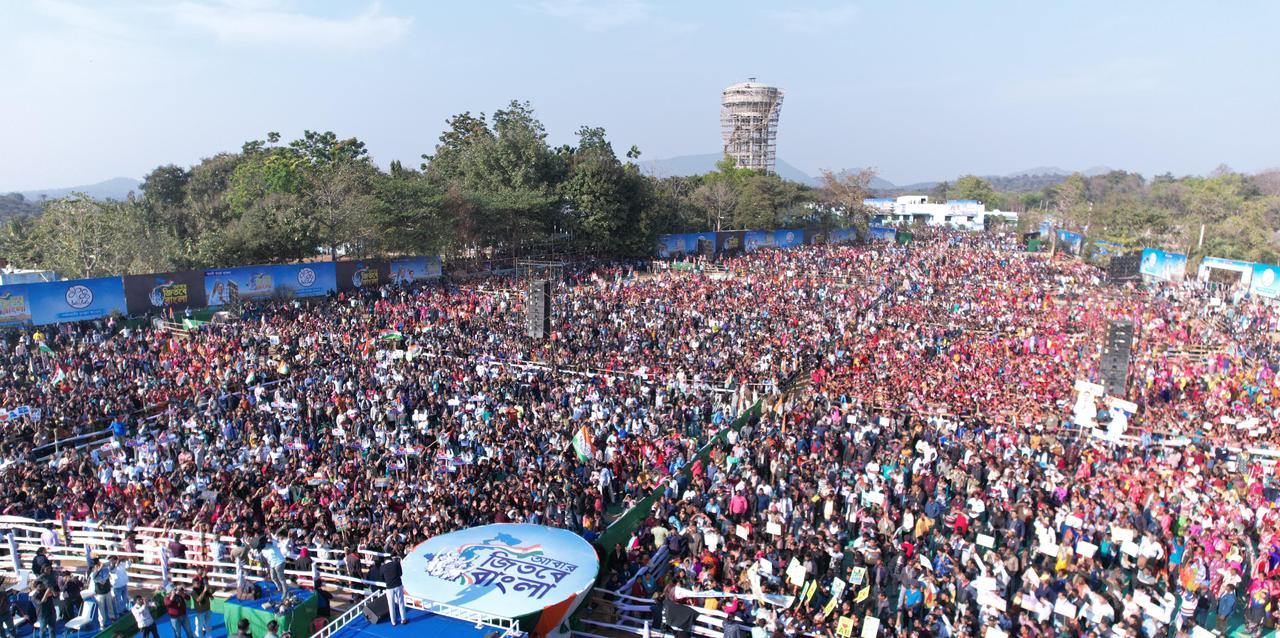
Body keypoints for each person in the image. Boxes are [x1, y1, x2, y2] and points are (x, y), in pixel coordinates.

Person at [381, 548, 406, 627]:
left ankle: (393, 621)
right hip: (398, 585)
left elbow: (382, 578)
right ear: (391, 559)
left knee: (391, 605)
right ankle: (403, 619)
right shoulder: (396, 563)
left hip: (389, 587)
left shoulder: (382, 567)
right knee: (401, 602)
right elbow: (401, 574)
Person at [91, 559, 114, 627]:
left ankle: (112, 617)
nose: (98, 565)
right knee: (101, 609)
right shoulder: (93, 572)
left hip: (107, 590)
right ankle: (102, 623)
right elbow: (93, 577)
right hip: (99, 593)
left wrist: (111, 563)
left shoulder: (105, 569)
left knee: (110, 605)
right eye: (96, 564)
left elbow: (109, 571)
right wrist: (99, 569)